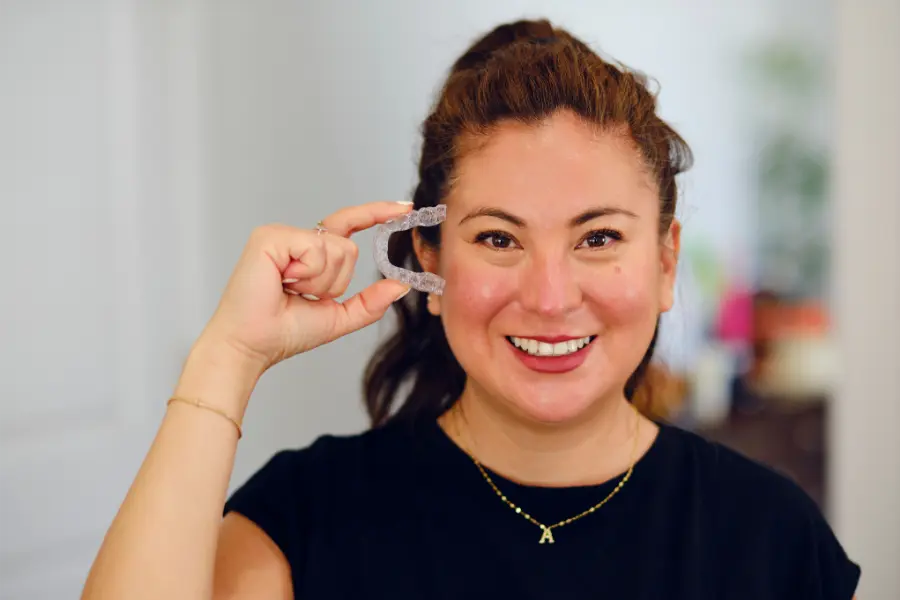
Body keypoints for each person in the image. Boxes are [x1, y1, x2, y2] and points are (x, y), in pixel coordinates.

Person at [81, 19, 860, 600]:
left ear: (663, 261)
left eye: (597, 238)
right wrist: (228, 357)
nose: (551, 297)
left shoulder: (772, 538)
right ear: (429, 257)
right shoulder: (310, 518)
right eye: (497, 237)